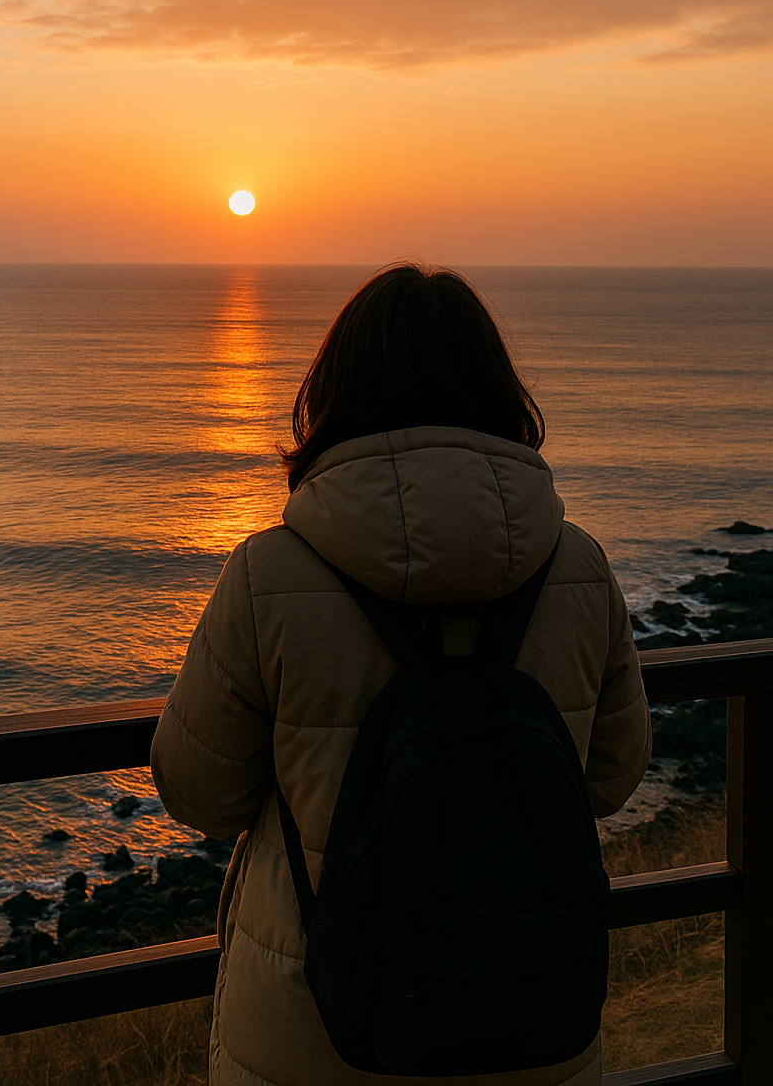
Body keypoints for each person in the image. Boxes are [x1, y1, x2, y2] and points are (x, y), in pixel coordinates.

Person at [151, 265, 651, 1086]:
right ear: (499, 393)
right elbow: (610, 777)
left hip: (317, 1029)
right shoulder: (581, 570)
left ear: (335, 395)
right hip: (527, 1021)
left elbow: (200, 793)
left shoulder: (266, 575)